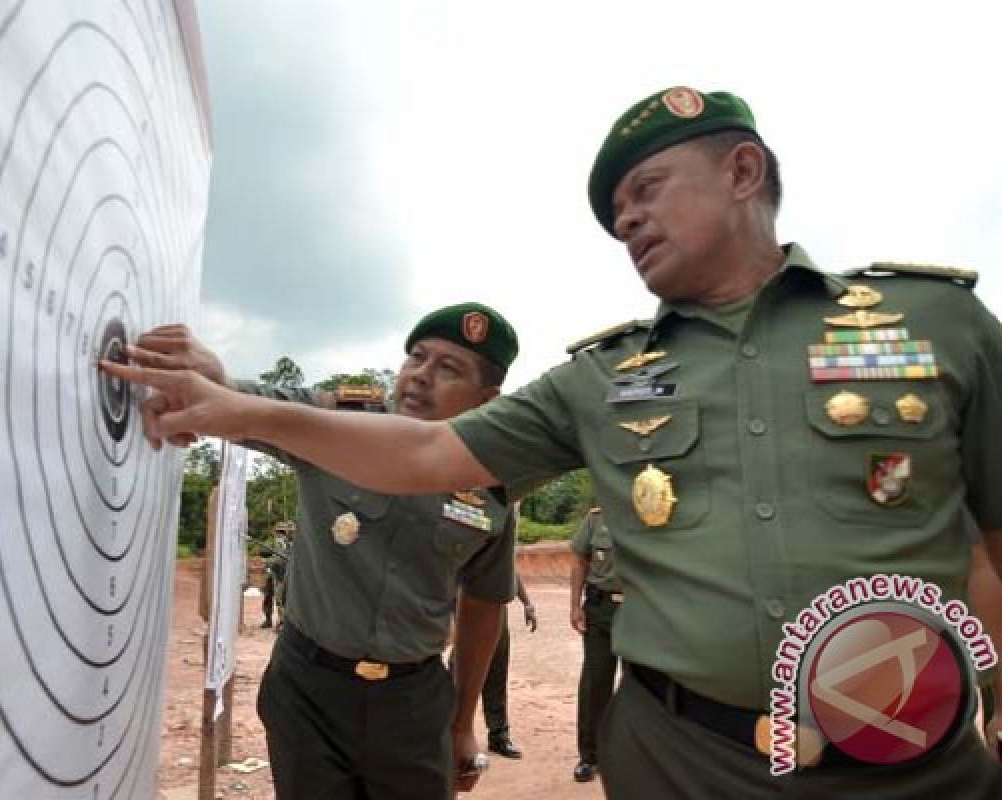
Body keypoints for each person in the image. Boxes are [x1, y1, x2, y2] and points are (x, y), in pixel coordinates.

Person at [102, 87, 1002, 798]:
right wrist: (236, 409)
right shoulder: (603, 376)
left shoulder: (937, 326)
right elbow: (421, 454)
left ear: (742, 170)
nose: (628, 223)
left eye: (647, 191)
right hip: (678, 758)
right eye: (616, 212)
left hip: (908, 761)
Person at [120, 306, 520, 799]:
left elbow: (484, 605)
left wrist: (462, 723)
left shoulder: (492, 484)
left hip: (413, 703)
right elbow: (257, 406)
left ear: (487, 398)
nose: (420, 375)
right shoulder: (334, 424)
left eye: (448, 368)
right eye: (417, 357)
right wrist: (217, 378)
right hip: (309, 690)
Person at [568, 506, 620, 783]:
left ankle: (635, 755)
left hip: (640, 610)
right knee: (595, 680)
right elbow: (579, 560)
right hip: (600, 609)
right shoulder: (597, 518)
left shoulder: (652, 513)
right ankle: (589, 756)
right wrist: (575, 605)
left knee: (643, 684)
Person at [465, 572, 538, 759]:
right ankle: (452, 732)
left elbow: (512, 569)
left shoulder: (501, 543)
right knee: (461, 673)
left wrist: (527, 603)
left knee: (497, 672)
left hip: (497, 610)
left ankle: (499, 735)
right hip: (466, 607)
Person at [260, 522, 292, 629]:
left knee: (280, 599)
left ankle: (282, 622)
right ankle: (268, 619)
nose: (280, 534)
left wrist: (269, 561)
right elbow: (264, 552)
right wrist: (268, 560)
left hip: (282, 574)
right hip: (272, 573)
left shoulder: (289, 544)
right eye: (279, 531)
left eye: (282, 531)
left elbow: (281, 559)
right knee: (268, 596)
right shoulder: (273, 542)